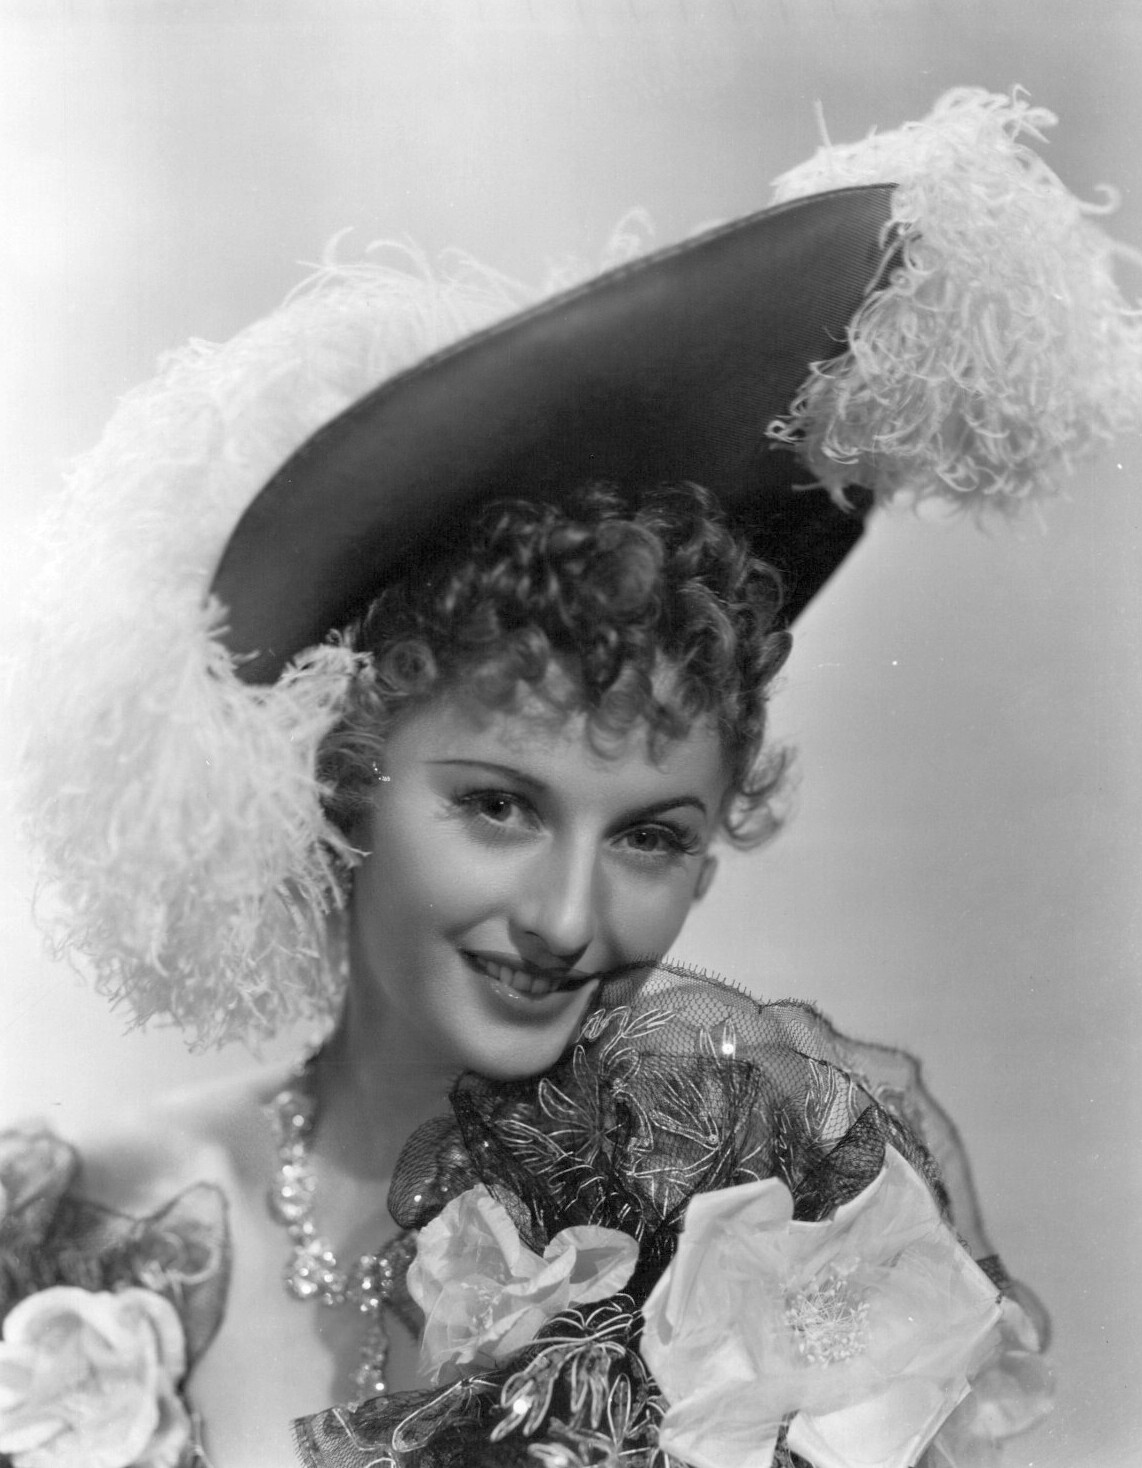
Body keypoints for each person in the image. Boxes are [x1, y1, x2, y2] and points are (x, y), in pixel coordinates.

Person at [0, 89, 1137, 1468]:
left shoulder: (773, 1245)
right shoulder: (72, 1231)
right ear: (344, 782)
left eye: (650, 837)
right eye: (498, 806)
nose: (562, 918)